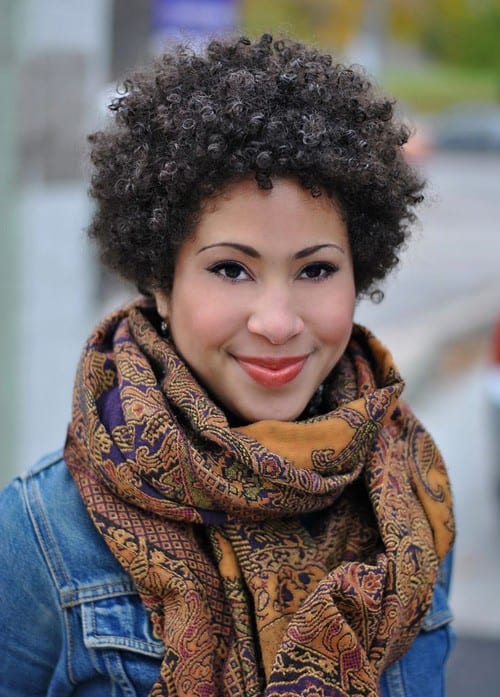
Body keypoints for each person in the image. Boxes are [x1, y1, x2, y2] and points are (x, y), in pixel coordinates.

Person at [0, 34, 455, 697]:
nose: (276, 320)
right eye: (231, 269)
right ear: (161, 279)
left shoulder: (412, 497)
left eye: (316, 268)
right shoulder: (40, 531)